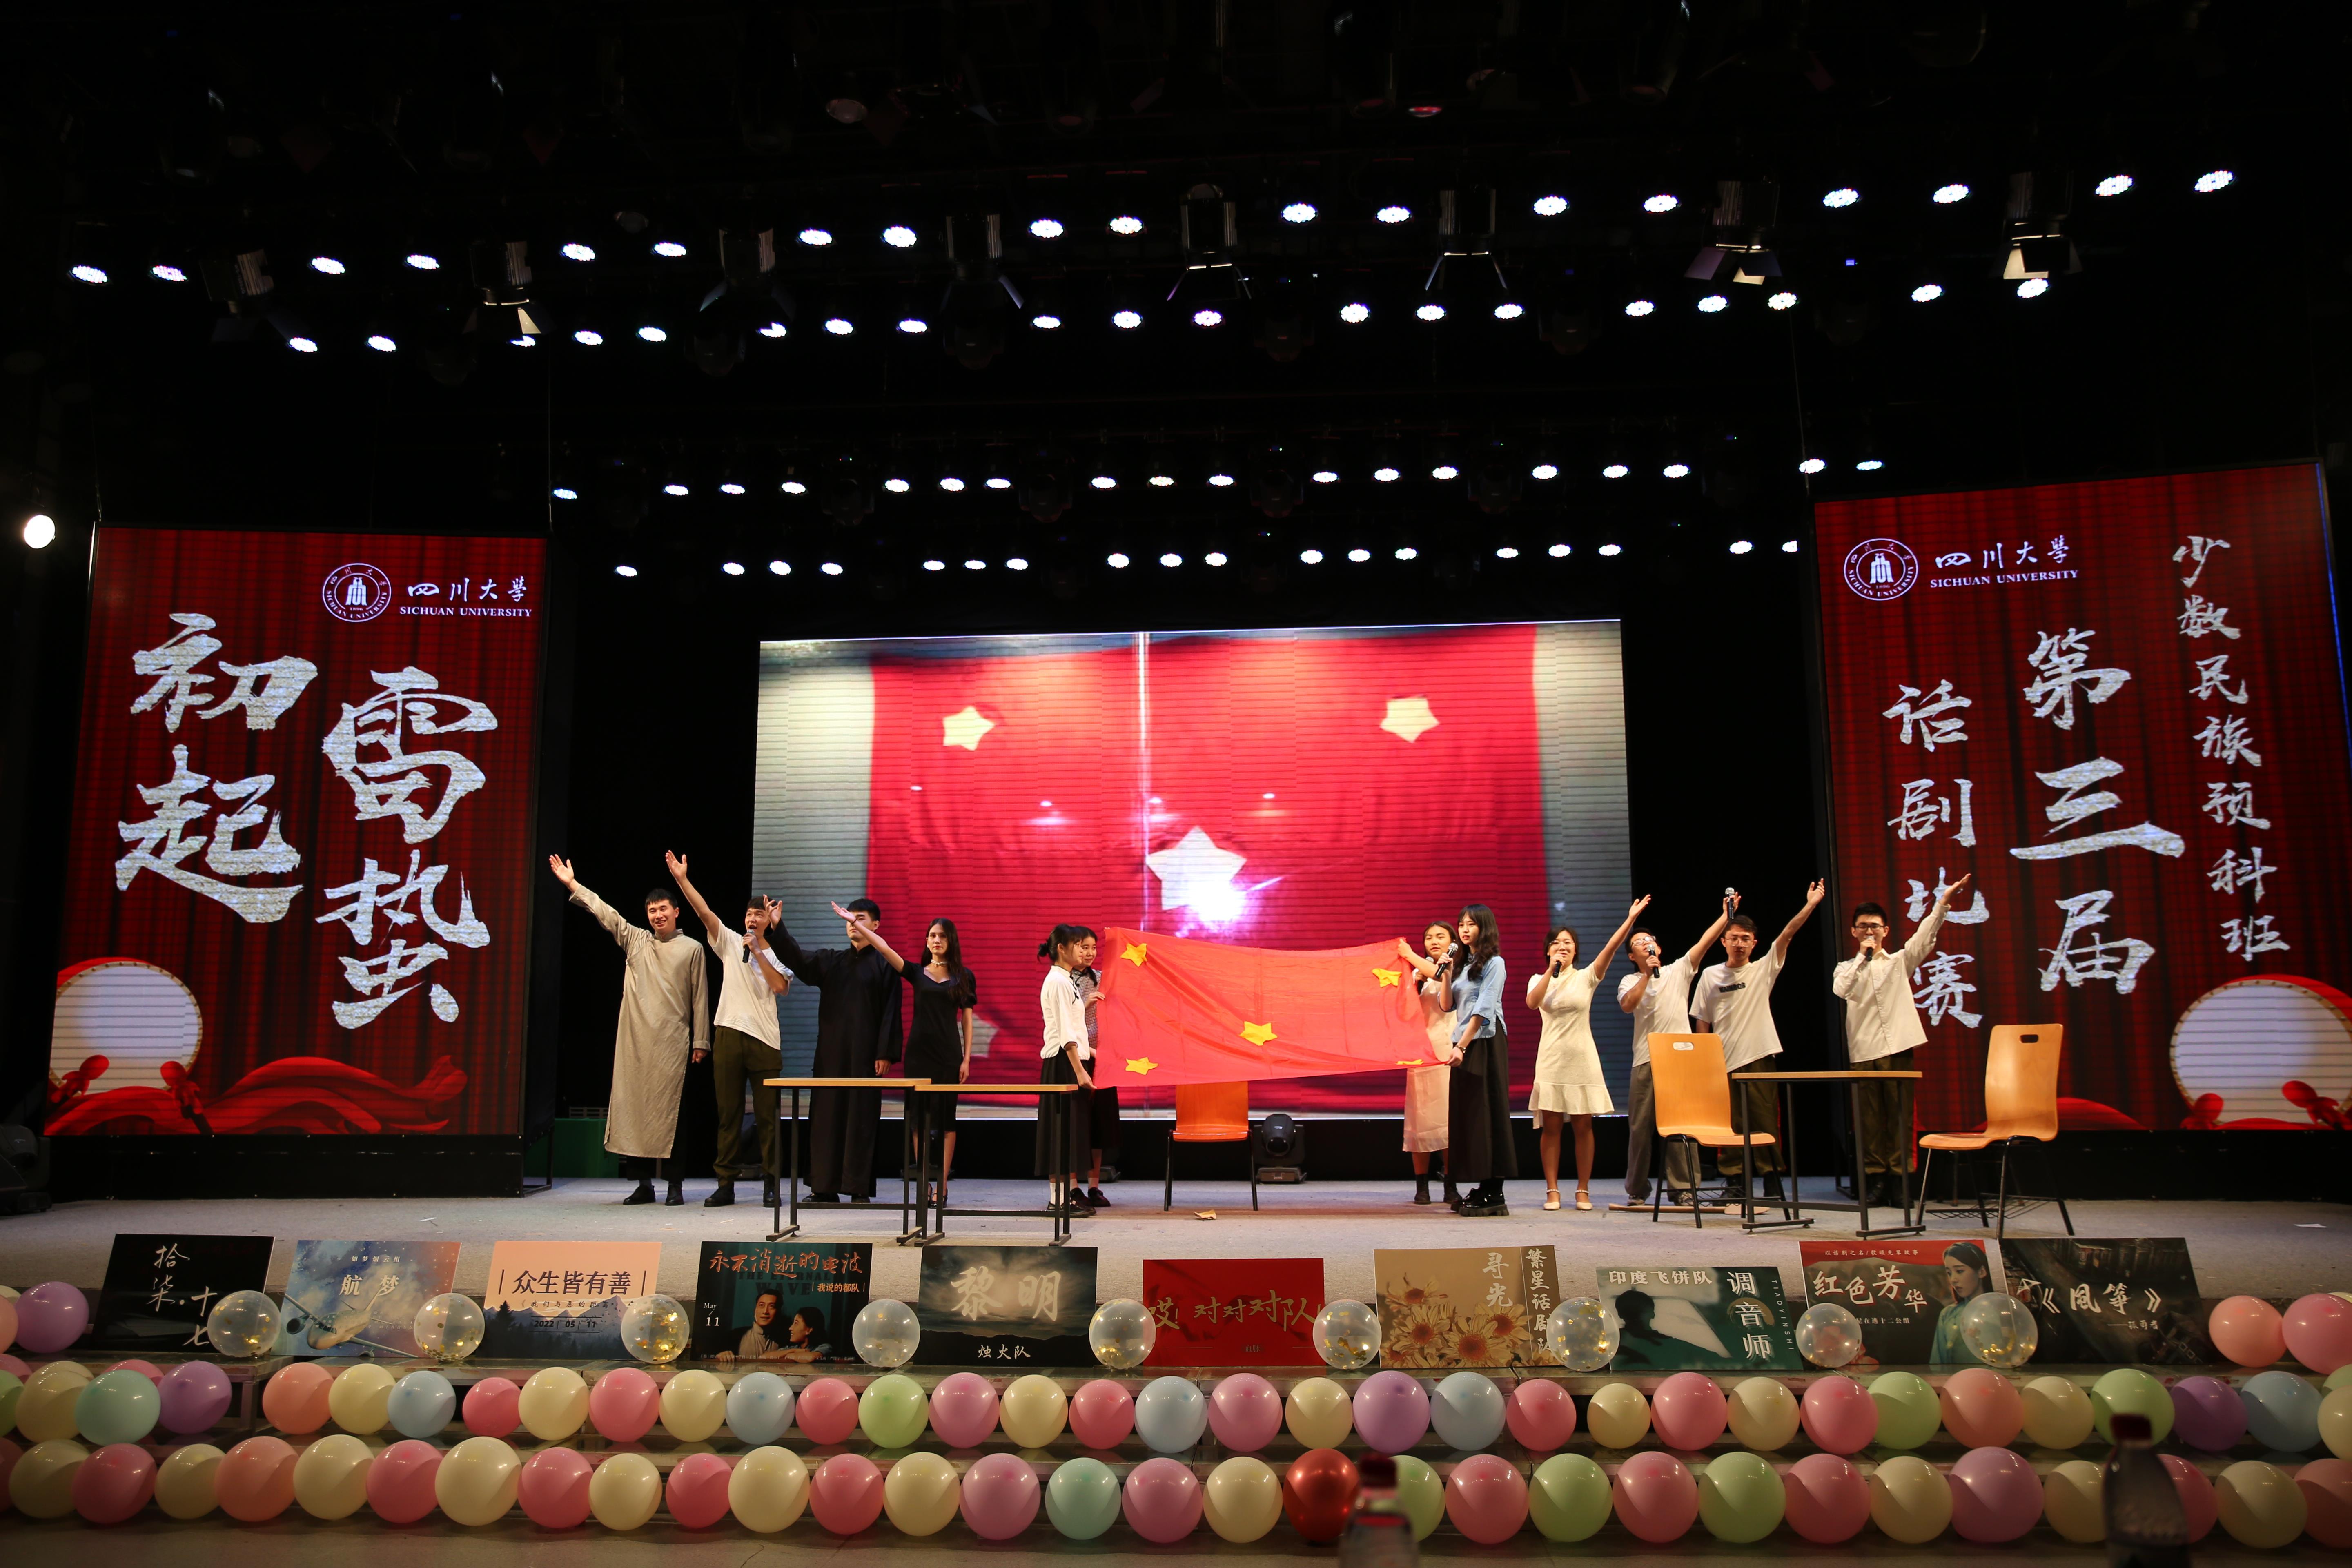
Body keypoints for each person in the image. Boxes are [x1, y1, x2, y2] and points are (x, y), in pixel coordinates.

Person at [548, 855, 710, 1206]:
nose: (658, 915)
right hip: (635, 1044)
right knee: (635, 1112)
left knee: (672, 1117)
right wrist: (573, 884)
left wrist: (701, 1041)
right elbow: (605, 913)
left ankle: (675, 1184)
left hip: (672, 1045)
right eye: (652, 911)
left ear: (676, 912)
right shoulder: (637, 941)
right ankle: (643, 1184)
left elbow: (700, 997)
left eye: (663, 909)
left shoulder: (692, 949)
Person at [1834, 875, 1971, 1208]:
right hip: (1864, 1051)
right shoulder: (1845, 968)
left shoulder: (1899, 962)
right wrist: (1862, 958)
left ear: (1886, 930)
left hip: (1897, 1048)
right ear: (1854, 932)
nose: (1870, 932)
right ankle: (1876, 1180)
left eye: (1875, 926)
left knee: (1900, 1118)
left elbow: (1924, 938)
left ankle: (1900, 1181)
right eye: (1863, 927)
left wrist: (1943, 903)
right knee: (1869, 1122)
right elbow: (1842, 990)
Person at [664, 853, 793, 1209]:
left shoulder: (779, 952)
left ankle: (771, 1182)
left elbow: (780, 987)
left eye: (760, 915)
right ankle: (726, 1183)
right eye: (750, 914)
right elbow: (704, 912)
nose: (753, 919)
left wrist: (759, 953)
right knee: (729, 1115)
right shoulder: (731, 942)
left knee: (768, 1118)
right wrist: (682, 880)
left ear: (769, 921)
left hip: (765, 1040)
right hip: (729, 1034)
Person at [1690, 880, 1826, 1197]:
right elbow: (1702, 1021)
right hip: (1723, 1063)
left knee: (1765, 1122)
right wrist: (1704, 1063)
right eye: (1734, 938)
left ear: (1754, 944)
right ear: (1724, 941)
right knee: (1730, 1125)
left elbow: (1788, 934)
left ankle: (1771, 1180)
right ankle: (1735, 1181)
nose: (1739, 944)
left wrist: (1810, 905)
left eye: (1746, 939)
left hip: (1760, 1057)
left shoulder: (1763, 969)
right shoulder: (1710, 975)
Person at [768, 898, 903, 1203]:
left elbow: (891, 1011)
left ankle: (858, 1188)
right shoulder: (833, 961)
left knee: (861, 1119)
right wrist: (777, 926)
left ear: (876, 926)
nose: (852, 923)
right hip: (831, 1053)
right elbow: (798, 959)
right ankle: (824, 1187)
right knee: (826, 1118)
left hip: (866, 1055)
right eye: (849, 918)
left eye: (860, 918)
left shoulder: (885, 964)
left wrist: (885, 1053)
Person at [1527, 896, 1650, 1212]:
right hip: (1551, 1060)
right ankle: (1552, 1190)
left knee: (1584, 1127)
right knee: (1552, 1128)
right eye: (1556, 943)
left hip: (1582, 1059)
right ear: (1548, 951)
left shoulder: (1587, 977)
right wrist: (1550, 971)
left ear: (1576, 951)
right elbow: (1532, 1003)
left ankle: (1583, 1190)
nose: (1562, 947)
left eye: (1568, 943)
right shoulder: (1539, 980)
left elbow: (1611, 946)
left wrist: (1630, 919)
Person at [846, 910, 976, 1206]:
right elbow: (884, 948)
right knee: (919, 1120)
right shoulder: (917, 972)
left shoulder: (964, 977)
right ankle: (925, 1183)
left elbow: (967, 1020)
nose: (936, 940)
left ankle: (942, 1186)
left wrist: (967, 1058)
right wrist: (856, 924)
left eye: (942, 936)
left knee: (947, 1120)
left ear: (951, 941)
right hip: (919, 1056)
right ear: (926, 941)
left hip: (949, 1056)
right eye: (932, 935)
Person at [1618, 893, 1738, 1205]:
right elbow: (1628, 1005)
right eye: (1640, 943)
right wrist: (1647, 975)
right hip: (1646, 1060)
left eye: (1650, 941)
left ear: (1659, 948)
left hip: (1680, 1061)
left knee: (1683, 1126)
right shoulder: (1630, 980)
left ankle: (1683, 1189)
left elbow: (1705, 943)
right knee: (1640, 1128)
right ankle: (1637, 1190)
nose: (1647, 944)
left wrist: (1725, 917)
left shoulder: (1678, 970)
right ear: (1632, 955)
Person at [1444, 904, 1517, 1216]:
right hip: (1464, 1042)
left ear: (1484, 928)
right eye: (1461, 924)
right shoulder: (1463, 965)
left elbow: (1484, 1009)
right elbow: (1447, 1005)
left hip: (1485, 1041)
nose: (1464, 929)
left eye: (1471, 924)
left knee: (1490, 1112)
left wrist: (1461, 1047)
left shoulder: (1495, 963)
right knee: (1471, 1115)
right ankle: (1483, 1186)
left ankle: (1495, 1190)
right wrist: (1447, 972)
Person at [1036, 924, 1099, 1217]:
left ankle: (1062, 1199)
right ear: (1062, 949)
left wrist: (1094, 1056)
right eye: (1077, 945)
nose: (1082, 950)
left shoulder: (1066, 980)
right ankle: (1059, 1200)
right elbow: (1066, 1034)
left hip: (1072, 1061)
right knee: (1059, 1133)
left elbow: (1076, 1030)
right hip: (1063, 1064)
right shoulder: (1058, 982)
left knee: (1068, 1134)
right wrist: (1081, 1072)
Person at [1393, 922, 1457, 1206]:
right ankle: (1422, 1185)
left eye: (1441, 936)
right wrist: (1414, 980)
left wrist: (1409, 954)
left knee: (1448, 1119)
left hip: (1447, 1051)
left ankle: (1451, 1183)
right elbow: (1401, 1012)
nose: (1434, 941)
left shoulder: (1457, 970)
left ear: (1453, 942)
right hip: (1420, 1053)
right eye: (1429, 937)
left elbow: (1446, 1000)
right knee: (1421, 1120)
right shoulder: (1417, 974)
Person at [1078, 959, 1118, 1207]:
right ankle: (1073, 1188)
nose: (1088, 953)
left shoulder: (1102, 978)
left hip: (1103, 1058)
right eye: (1083, 947)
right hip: (1076, 1057)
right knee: (1077, 1125)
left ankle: (1094, 1187)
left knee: (1100, 1124)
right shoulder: (1064, 981)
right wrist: (1085, 1005)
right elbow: (1063, 1024)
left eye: (1092, 948)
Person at [1930, 1241, 1994, 1366]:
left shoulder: (2001, 1310)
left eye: (1959, 1271)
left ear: (1981, 1272)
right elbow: (1938, 1364)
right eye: (1949, 1273)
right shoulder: (1948, 1315)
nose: (1953, 1280)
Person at [719, 1289, 788, 1361]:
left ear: (778, 1312)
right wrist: (722, 1356)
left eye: (772, 1306)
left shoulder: (786, 1340)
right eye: (762, 1306)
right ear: (755, 1310)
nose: (766, 1312)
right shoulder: (734, 1336)